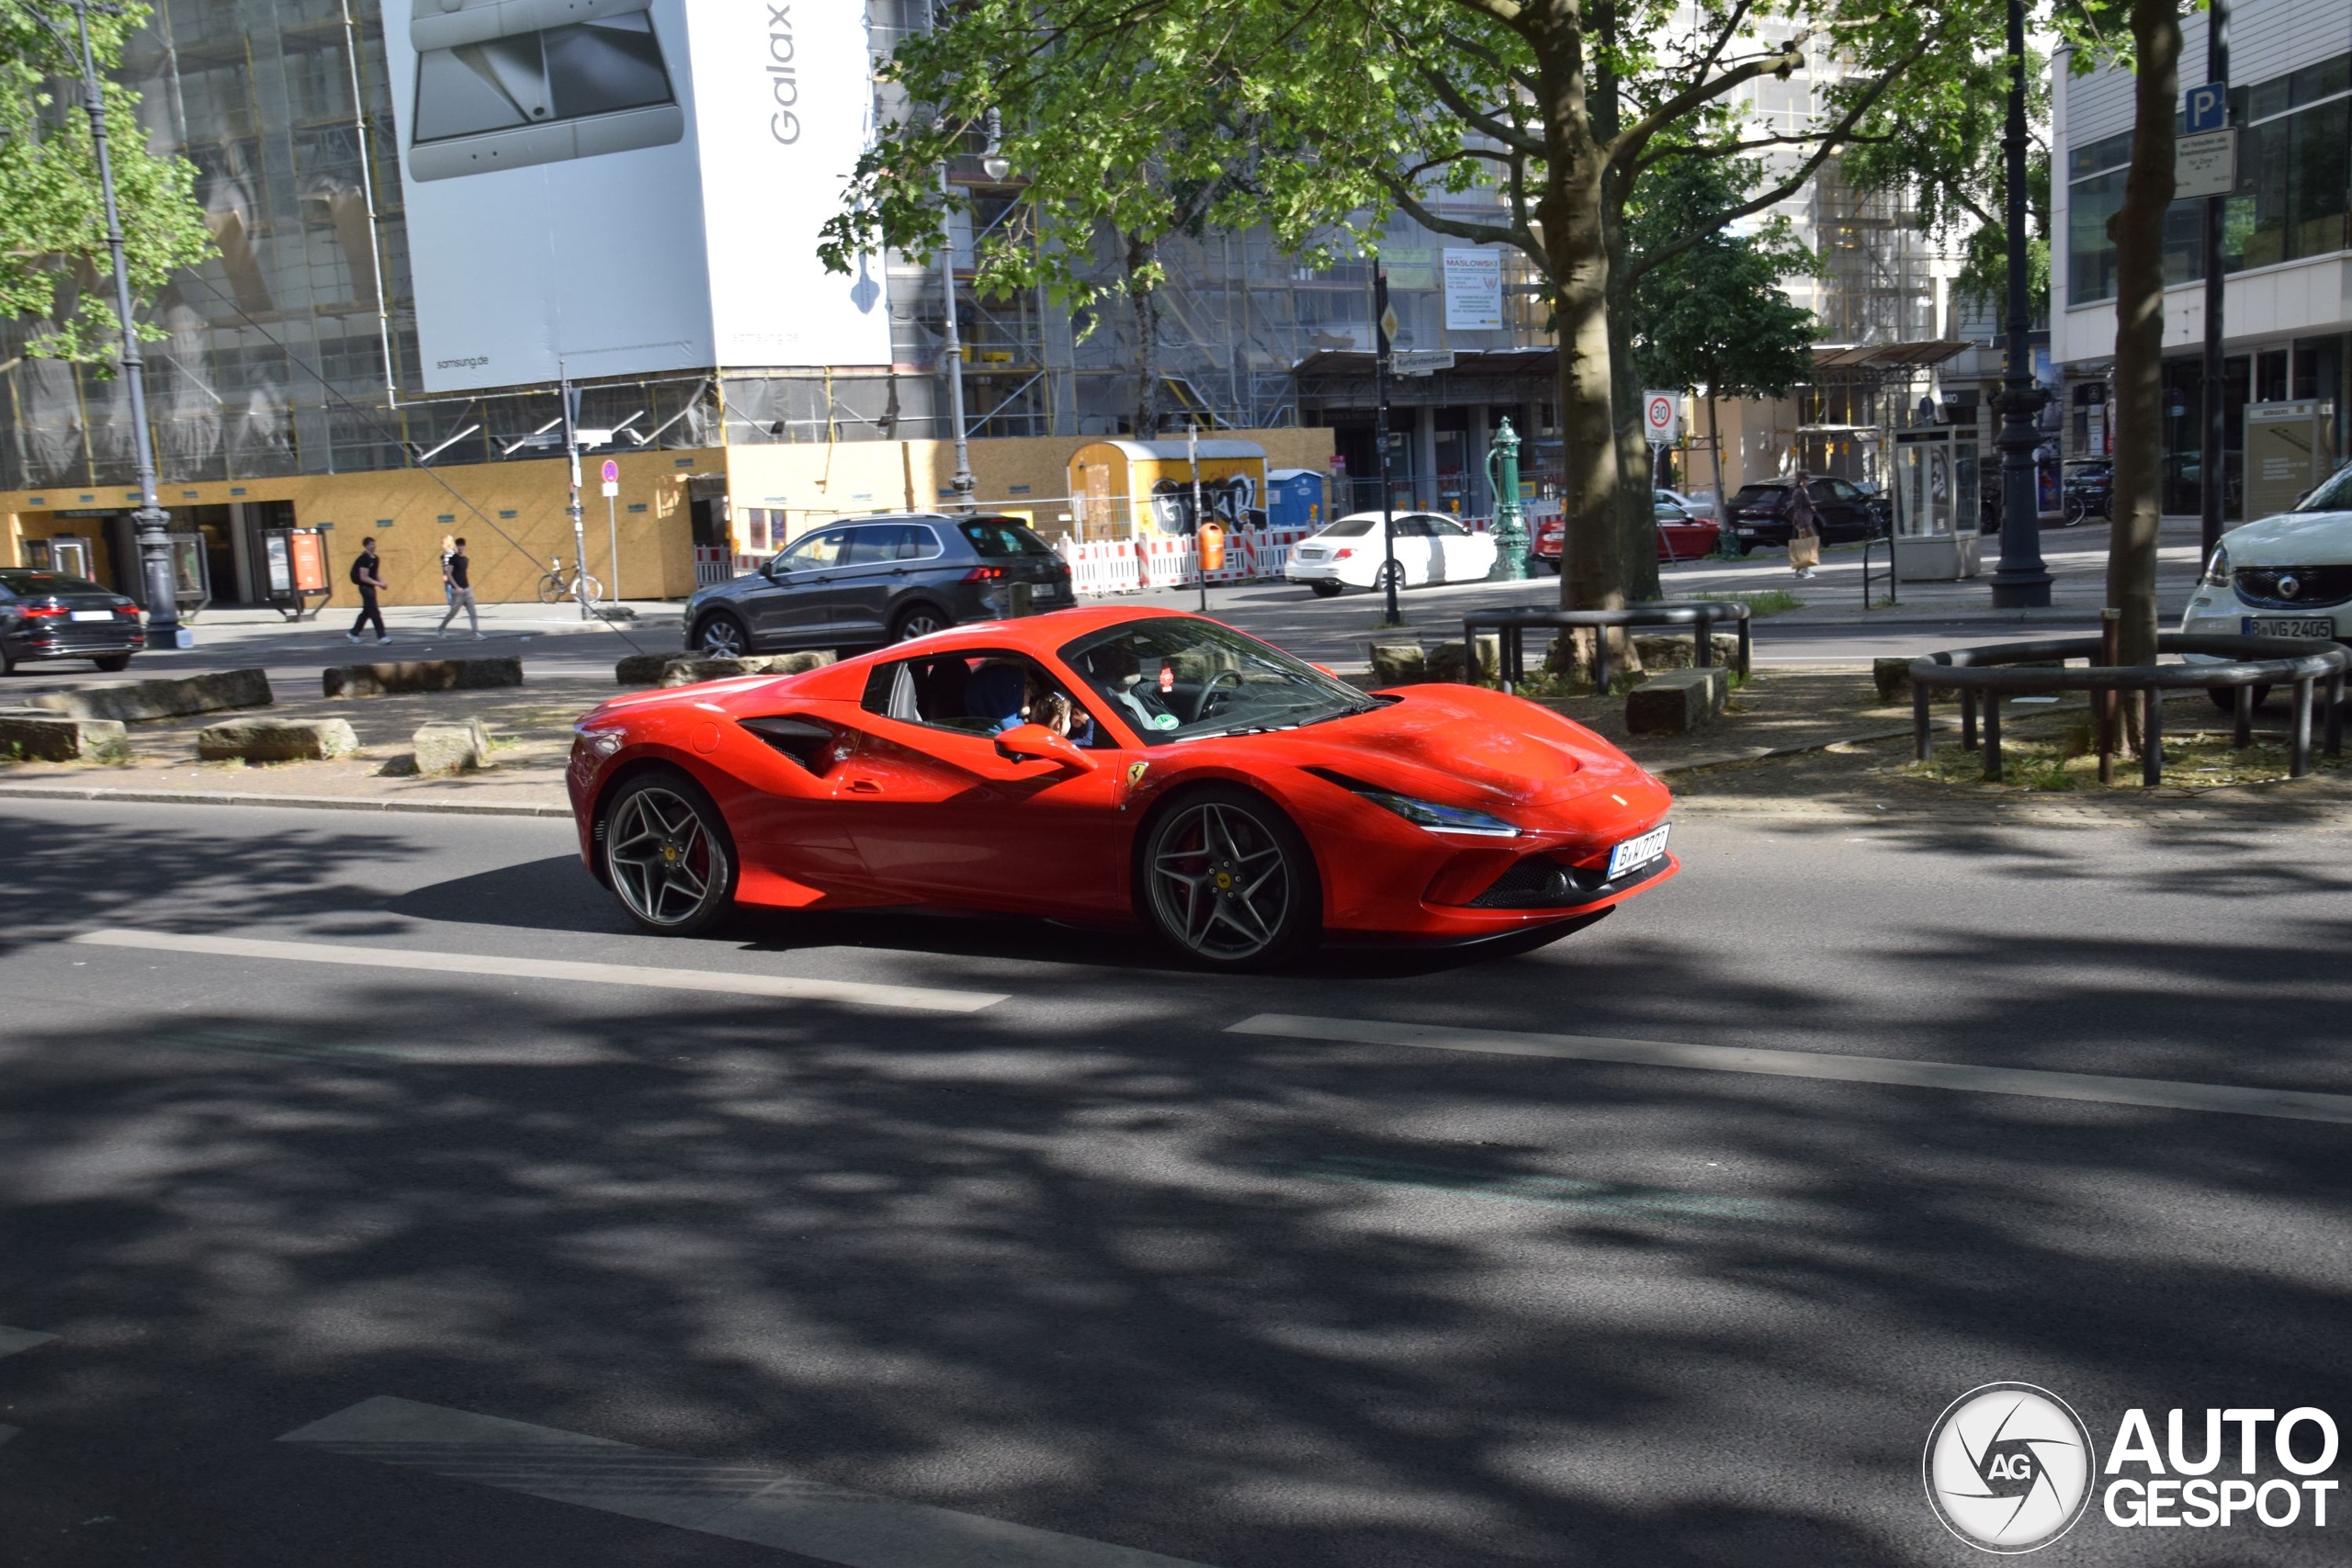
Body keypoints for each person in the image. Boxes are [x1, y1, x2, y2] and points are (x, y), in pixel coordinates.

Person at [346, 536, 390, 643]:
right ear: (366, 546)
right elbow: (364, 577)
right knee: (374, 612)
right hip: (365, 588)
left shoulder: (375, 558)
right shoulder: (364, 559)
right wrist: (379, 584)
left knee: (366, 612)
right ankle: (382, 636)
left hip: (371, 587)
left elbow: (375, 574)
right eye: (371, 544)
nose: (373, 546)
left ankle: (353, 632)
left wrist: (382, 582)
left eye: (374, 544)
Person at [436, 536, 481, 637]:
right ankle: (441, 628)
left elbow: (462, 574)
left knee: (473, 612)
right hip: (457, 591)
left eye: (462, 545)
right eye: (459, 546)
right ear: (457, 547)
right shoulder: (453, 559)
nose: (461, 548)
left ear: (465, 546)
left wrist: (466, 588)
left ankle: (476, 632)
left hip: (467, 589)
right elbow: (449, 573)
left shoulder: (466, 559)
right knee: (453, 612)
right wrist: (456, 587)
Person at [1786, 471, 1820, 580]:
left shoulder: (1804, 491)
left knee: (1807, 544)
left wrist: (1811, 508)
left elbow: (1806, 505)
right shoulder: (1798, 492)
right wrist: (1801, 526)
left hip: (1807, 520)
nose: (1808, 480)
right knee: (1806, 545)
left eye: (1809, 478)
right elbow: (1798, 509)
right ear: (1801, 479)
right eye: (1806, 478)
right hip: (1802, 522)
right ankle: (1803, 569)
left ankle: (1800, 569)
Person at [437, 534, 457, 611]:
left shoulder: (450, 554)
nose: (442, 544)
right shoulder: (444, 555)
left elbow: (449, 566)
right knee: (449, 591)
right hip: (449, 576)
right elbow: (444, 565)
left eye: (443, 543)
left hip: (451, 575)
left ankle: (454, 606)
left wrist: (446, 574)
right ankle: (453, 606)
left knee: (450, 591)